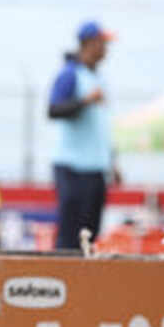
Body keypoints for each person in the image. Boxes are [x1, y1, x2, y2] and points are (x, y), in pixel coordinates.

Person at [49, 21, 116, 250]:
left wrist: (112, 161)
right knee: (70, 236)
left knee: (91, 238)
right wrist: (85, 101)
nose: (106, 49)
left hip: (96, 169)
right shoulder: (70, 74)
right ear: (89, 43)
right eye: (103, 43)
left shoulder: (97, 77)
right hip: (72, 168)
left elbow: (100, 128)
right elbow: (53, 110)